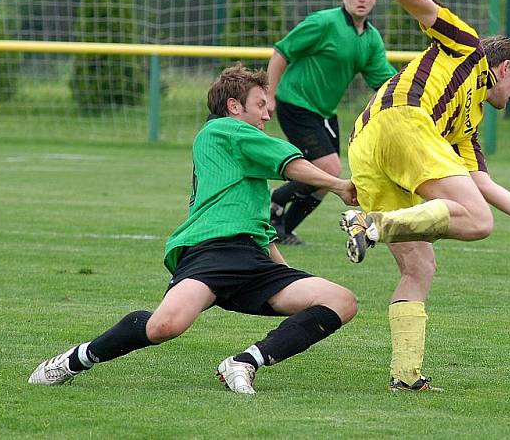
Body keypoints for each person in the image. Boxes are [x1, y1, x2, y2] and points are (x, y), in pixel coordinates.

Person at [29, 65, 359, 395]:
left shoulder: (242, 156)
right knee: (164, 326)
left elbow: (252, 219)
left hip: (252, 260)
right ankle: (74, 360)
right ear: (234, 106)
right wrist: (339, 184)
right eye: (260, 105)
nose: (267, 115)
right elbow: (289, 163)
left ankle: (244, 362)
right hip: (212, 252)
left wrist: (283, 268)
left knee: (340, 300)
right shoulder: (222, 131)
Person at [339, 0, 510, 392]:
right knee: (479, 222)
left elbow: (481, 184)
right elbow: (426, 10)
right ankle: (373, 225)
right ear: (503, 67)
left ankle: (405, 376)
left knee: (420, 265)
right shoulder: (467, 47)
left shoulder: (467, 124)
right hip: (402, 120)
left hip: (365, 146)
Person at [266, 0, 397, 245]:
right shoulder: (323, 22)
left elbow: (384, 80)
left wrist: (412, 94)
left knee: (326, 179)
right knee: (330, 170)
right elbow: (281, 52)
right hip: (295, 101)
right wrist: (270, 93)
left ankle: (283, 227)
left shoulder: (371, 38)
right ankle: (276, 200)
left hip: (325, 112)